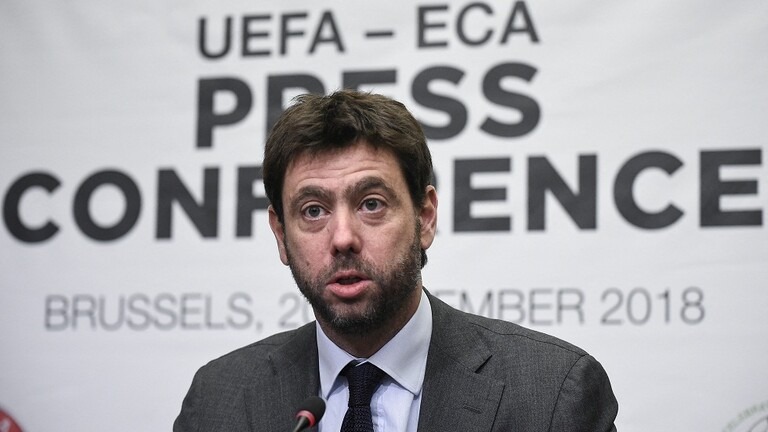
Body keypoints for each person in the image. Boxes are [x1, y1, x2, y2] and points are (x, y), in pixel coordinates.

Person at [173, 90, 618, 432]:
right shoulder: (218, 401)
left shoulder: (553, 395)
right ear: (280, 234)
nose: (342, 239)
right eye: (313, 210)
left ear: (425, 218)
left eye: (371, 204)